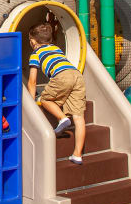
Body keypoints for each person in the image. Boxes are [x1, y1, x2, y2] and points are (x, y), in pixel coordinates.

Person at [26, 22, 86, 164]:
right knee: (79, 117)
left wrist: (31, 102)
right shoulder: (56, 49)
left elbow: (32, 81)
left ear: (32, 42)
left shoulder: (36, 53)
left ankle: (62, 118)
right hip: (77, 75)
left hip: (61, 76)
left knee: (45, 99)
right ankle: (77, 154)